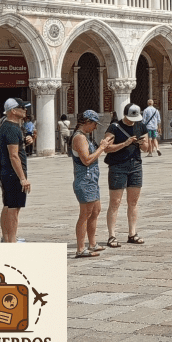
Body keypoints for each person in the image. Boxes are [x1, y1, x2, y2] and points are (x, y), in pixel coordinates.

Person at [104, 103, 150, 247]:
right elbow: (106, 148)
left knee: (133, 201)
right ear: (124, 115)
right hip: (118, 166)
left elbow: (147, 148)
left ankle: (132, 233)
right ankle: (112, 235)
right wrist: (125, 143)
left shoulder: (141, 126)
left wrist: (142, 143)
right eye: (130, 118)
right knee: (115, 202)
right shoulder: (114, 127)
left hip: (135, 165)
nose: (132, 121)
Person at [71, 109, 115, 258]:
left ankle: (92, 243)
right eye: (94, 124)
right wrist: (101, 148)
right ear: (87, 122)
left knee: (95, 210)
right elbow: (87, 160)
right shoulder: (79, 138)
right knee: (85, 214)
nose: (95, 127)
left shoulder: (84, 137)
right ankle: (80, 248)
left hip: (91, 181)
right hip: (84, 181)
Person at [0, 97, 34, 242]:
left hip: (7, 173)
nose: (25, 110)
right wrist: (22, 178)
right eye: (22, 108)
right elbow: (14, 156)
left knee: (8, 206)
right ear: (13, 111)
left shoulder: (6, 126)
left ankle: (6, 238)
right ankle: (12, 241)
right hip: (14, 174)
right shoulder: (12, 129)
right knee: (14, 208)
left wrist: (28, 140)